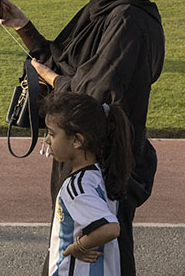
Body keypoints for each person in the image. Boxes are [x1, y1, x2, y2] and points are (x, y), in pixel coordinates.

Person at [0, 0, 164, 275]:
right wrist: (23, 27)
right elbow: (68, 61)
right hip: (79, 149)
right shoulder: (102, 13)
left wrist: (50, 79)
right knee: (68, 244)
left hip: (104, 157)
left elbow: (97, 88)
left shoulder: (129, 21)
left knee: (103, 254)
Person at [41, 92, 134, 276]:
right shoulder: (100, 174)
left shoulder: (77, 188)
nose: (47, 140)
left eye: (52, 133)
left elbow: (109, 228)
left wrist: (77, 248)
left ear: (77, 140)